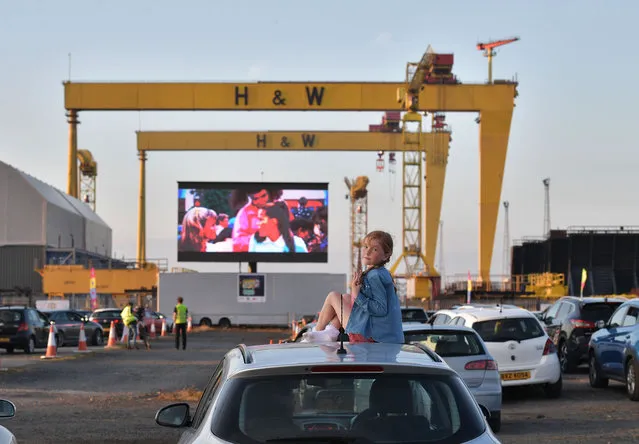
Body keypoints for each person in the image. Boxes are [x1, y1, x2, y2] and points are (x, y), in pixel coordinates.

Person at [302, 230, 404, 344]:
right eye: (366, 247)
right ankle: (330, 332)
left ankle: (315, 334)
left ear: (386, 255)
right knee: (345, 297)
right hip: (377, 335)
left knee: (333, 296)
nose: (367, 252)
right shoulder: (380, 273)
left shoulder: (375, 275)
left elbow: (380, 309)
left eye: (374, 249)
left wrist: (357, 295)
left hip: (370, 336)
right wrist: (355, 295)